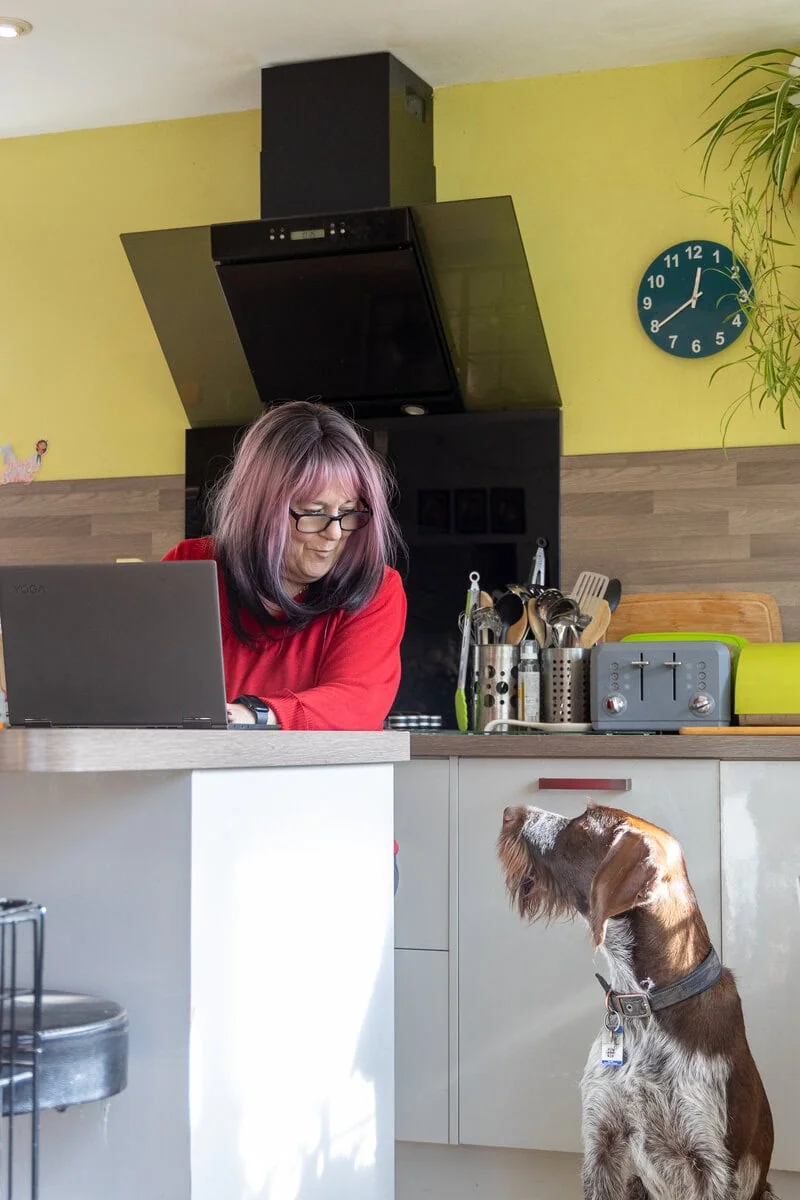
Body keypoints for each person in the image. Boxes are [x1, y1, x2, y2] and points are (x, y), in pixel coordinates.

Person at [163, 400, 407, 730]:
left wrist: (253, 714)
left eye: (349, 511)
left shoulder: (376, 589)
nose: (334, 533)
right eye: (314, 512)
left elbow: (357, 702)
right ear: (261, 510)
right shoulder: (190, 567)